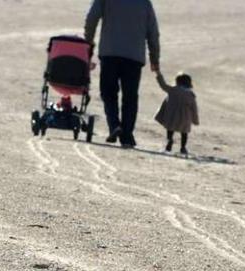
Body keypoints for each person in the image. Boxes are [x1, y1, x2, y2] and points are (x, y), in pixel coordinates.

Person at [84, 0, 160, 148]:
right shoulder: (144, 3)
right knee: (130, 97)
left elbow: (91, 18)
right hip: (134, 56)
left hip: (109, 53)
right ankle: (127, 136)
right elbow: (153, 31)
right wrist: (154, 57)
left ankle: (114, 125)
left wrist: (88, 44)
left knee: (108, 92)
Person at [154, 70, 199, 155]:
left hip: (172, 116)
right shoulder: (191, 95)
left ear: (177, 81)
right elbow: (194, 109)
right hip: (185, 118)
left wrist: (158, 74)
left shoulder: (172, 90)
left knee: (170, 130)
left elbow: (163, 85)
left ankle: (169, 141)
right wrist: (195, 120)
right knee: (184, 133)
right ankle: (183, 147)